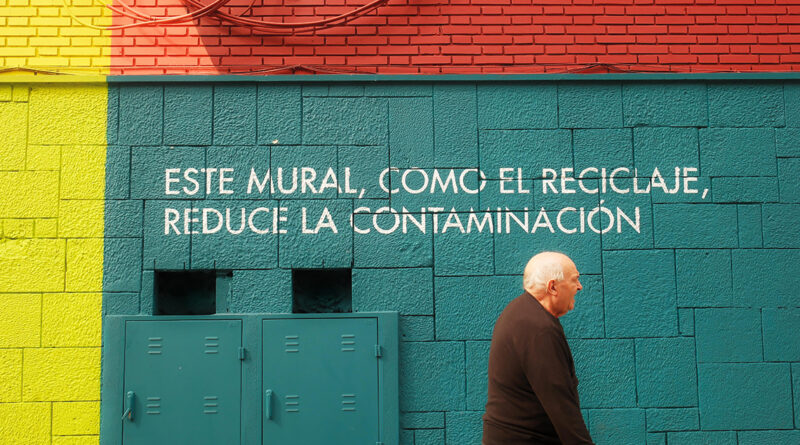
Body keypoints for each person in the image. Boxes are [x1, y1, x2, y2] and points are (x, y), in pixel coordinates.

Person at [482, 251, 594, 445]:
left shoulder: (523, 313)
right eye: (574, 279)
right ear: (553, 287)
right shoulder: (538, 328)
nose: (579, 286)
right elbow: (560, 403)